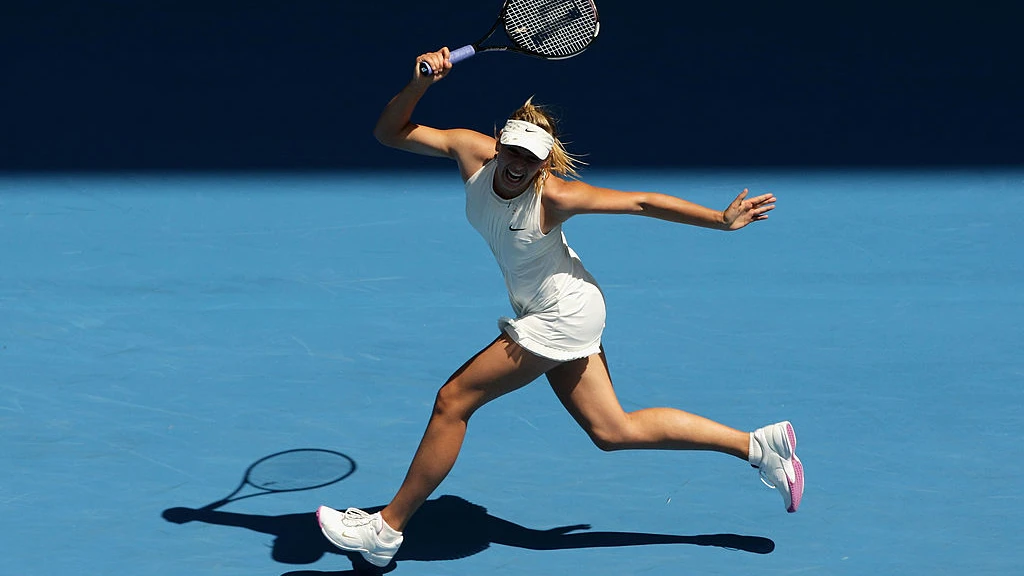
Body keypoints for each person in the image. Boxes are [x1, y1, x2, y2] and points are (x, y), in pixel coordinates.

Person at [316, 47, 803, 568]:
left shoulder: (555, 197)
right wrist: (420, 85)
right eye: (512, 153)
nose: (517, 165)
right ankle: (760, 447)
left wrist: (718, 220)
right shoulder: (469, 151)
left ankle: (386, 529)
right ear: (498, 146)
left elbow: (641, 202)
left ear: (543, 164)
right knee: (613, 431)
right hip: (562, 306)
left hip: (562, 313)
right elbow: (390, 133)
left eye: (530, 160)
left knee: (452, 401)